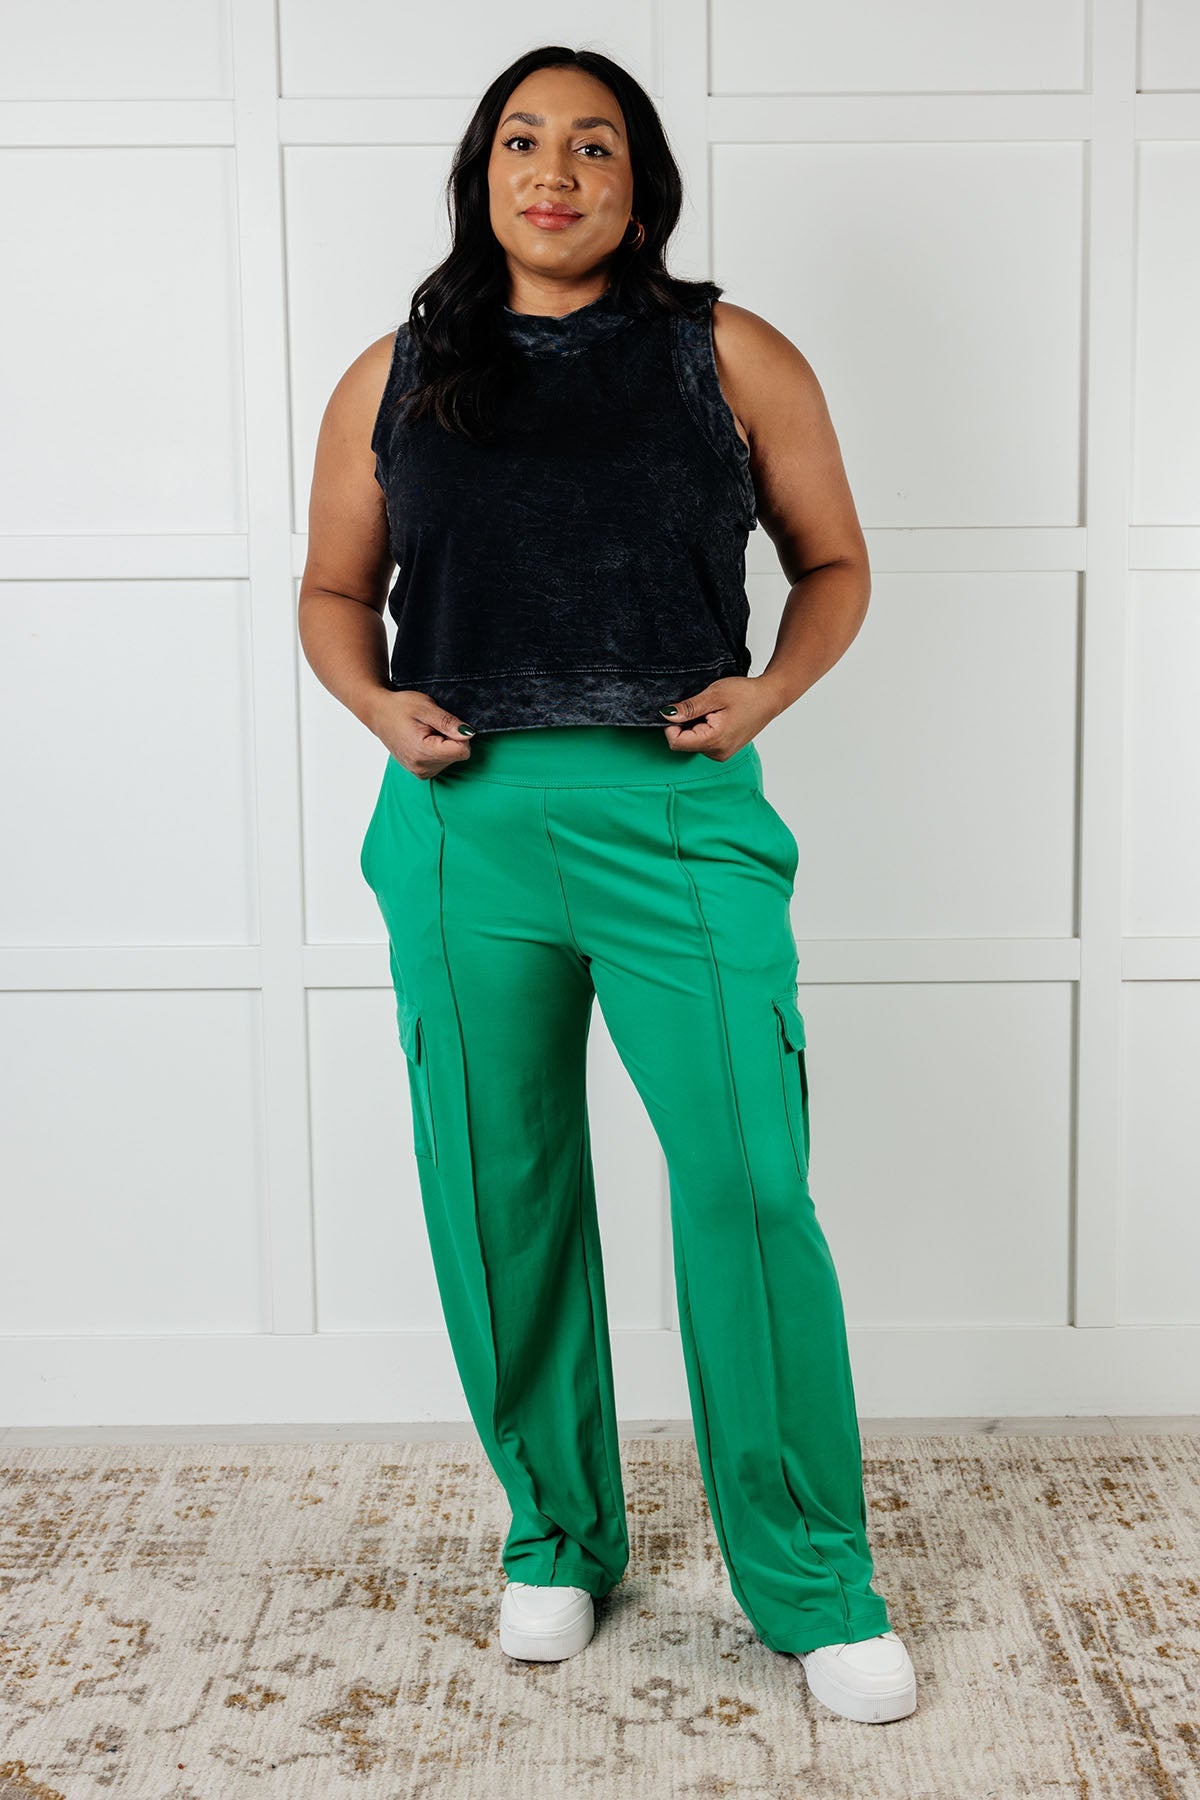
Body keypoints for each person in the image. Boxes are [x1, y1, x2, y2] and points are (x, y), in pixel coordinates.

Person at [298, 45, 917, 1726]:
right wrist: (374, 704)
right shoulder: (395, 372)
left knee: (749, 1184)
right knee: (498, 1191)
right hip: (462, 822)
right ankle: (558, 1535)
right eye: (522, 141)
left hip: (678, 817)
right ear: (481, 174)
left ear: (641, 184)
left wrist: (769, 692)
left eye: (592, 145)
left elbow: (835, 563)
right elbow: (334, 592)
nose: (553, 171)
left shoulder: (730, 354)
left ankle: (813, 1578)